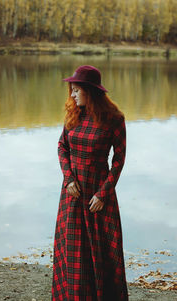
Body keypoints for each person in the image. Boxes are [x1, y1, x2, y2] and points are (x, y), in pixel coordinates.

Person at [51, 65, 128, 301]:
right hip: (72, 194)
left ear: (90, 91)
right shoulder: (74, 116)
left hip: (98, 195)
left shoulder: (114, 119)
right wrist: (68, 178)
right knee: (73, 253)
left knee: (102, 252)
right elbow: (62, 146)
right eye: (71, 90)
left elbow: (118, 159)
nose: (72, 95)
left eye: (76, 90)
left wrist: (103, 194)